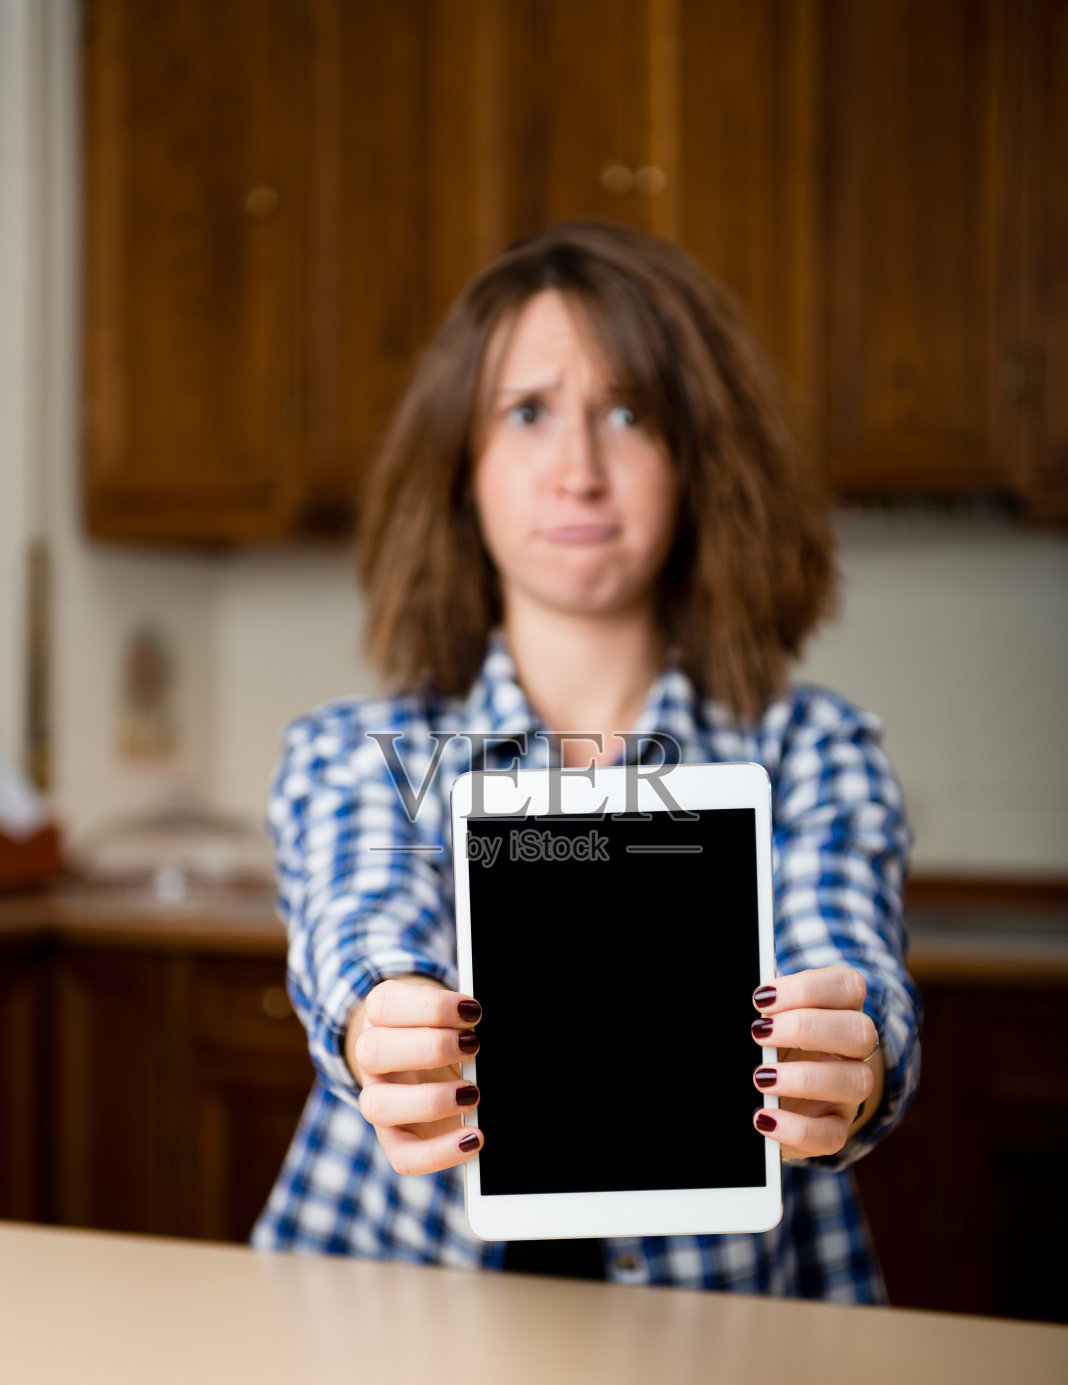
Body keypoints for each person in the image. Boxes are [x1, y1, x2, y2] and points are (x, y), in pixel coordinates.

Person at [252, 219, 921, 1301]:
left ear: (702, 456)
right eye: (526, 413)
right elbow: (359, 917)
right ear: (460, 467)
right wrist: (385, 1015)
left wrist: (848, 1051)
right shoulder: (353, 754)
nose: (578, 471)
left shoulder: (815, 751)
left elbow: (845, 955)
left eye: (628, 413)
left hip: (730, 1346)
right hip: (385, 1324)